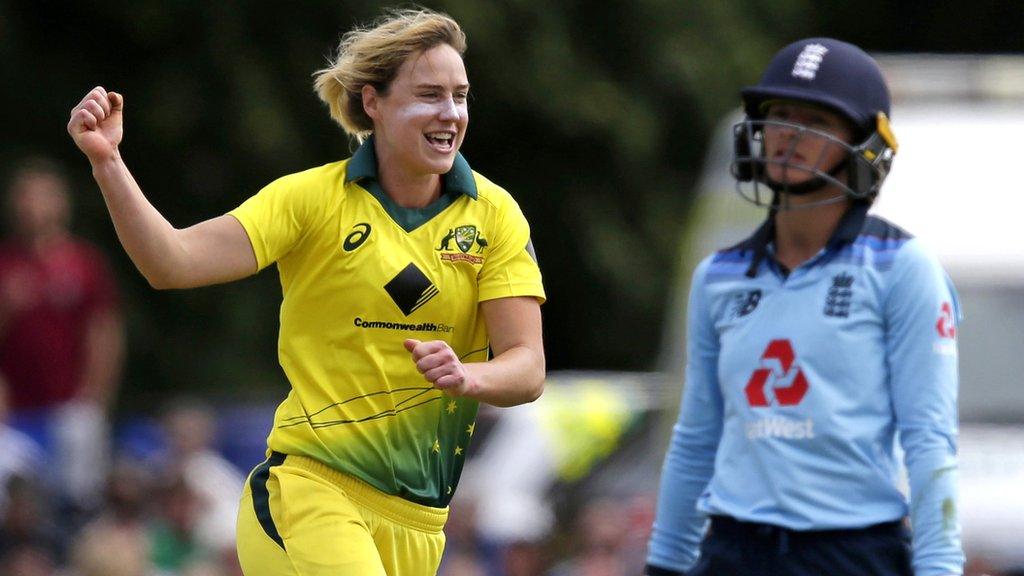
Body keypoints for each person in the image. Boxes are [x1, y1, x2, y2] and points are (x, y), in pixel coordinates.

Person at [67, 7, 546, 576]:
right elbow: (171, 262)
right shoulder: (311, 200)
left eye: (460, 96)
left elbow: (527, 366)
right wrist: (108, 161)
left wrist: (471, 377)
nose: (451, 114)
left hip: (421, 525)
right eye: (430, 95)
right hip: (310, 493)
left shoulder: (496, 216)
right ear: (373, 102)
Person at [645, 38, 963, 576]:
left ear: (865, 145)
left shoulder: (902, 268)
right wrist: (666, 562)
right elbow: (698, 437)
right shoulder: (716, 277)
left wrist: (939, 568)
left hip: (853, 553)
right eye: (780, 115)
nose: (789, 134)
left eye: (817, 120)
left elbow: (929, 438)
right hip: (733, 550)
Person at [0, 157, 124, 517]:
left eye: (42, 196)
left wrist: (94, 396)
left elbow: (104, 332)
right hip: (14, 413)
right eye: (26, 196)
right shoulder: (6, 264)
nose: (32, 205)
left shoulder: (84, 262)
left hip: (71, 407)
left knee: (78, 501)